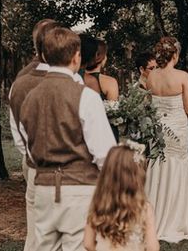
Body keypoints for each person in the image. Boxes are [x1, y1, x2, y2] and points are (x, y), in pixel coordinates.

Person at [19, 27, 116, 250]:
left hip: (43, 188)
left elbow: (28, 146)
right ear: (76, 57)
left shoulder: (30, 97)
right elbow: (104, 153)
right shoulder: (86, 97)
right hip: (79, 190)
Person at [8, 20, 59, 251]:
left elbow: (16, 129)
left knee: (36, 231)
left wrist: (29, 155)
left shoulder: (18, 82)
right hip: (64, 170)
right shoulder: (71, 81)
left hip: (32, 162)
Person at [145, 37, 188, 242]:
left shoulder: (151, 77)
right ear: (175, 54)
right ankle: (175, 219)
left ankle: (154, 220)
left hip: (157, 130)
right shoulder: (182, 76)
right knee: (176, 169)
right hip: (177, 130)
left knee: (157, 168)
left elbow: (150, 106)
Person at [83, 143, 159, 251]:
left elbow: (88, 243)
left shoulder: (97, 205)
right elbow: (153, 247)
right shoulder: (144, 208)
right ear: (136, 176)